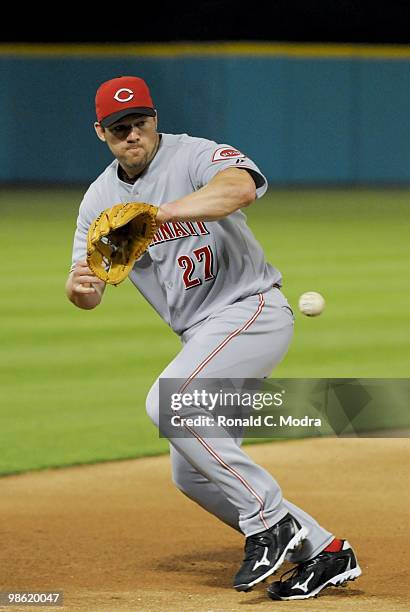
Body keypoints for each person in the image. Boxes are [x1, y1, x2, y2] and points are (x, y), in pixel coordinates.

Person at [65, 75, 361, 600]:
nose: (132, 134)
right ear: (101, 133)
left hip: (250, 311)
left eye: (140, 122)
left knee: (169, 405)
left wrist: (158, 215)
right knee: (193, 474)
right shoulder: (99, 200)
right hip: (201, 336)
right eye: (119, 128)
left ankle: (269, 521)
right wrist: (80, 286)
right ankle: (324, 552)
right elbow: (90, 288)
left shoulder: (192, 155)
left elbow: (240, 188)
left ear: (155, 120)